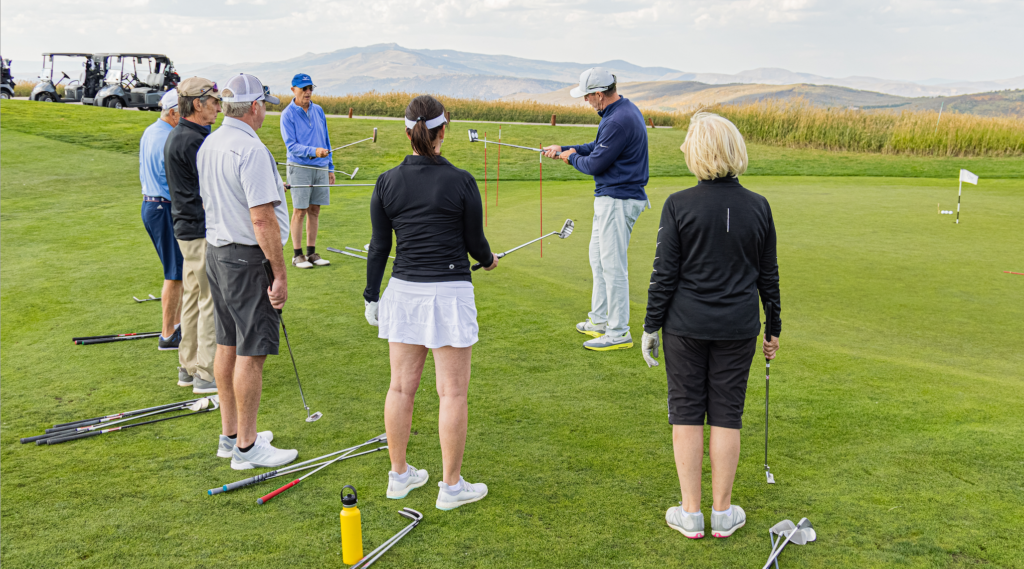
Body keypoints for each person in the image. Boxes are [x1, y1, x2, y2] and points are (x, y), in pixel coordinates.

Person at [641, 112, 781, 540]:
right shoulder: (758, 206)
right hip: (738, 327)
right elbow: (768, 274)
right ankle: (722, 512)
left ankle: (691, 512)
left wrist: (650, 326)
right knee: (726, 414)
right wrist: (774, 326)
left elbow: (664, 273)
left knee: (686, 411)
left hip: (685, 326)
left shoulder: (678, 204)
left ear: (699, 152)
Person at [363, 95, 498, 511]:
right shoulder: (461, 180)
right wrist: (489, 259)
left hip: (403, 292)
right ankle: (450, 487)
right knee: (452, 393)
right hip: (449, 294)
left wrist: (372, 296)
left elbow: (379, 247)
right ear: (444, 131)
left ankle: (399, 476)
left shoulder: (386, 180)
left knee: (401, 387)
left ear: (408, 132)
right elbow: (476, 242)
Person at [198, 73, 297, 468]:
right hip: (245, 258)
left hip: (217, 253)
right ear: (254, 106)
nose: (265, 114)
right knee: (252, 351)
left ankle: (231, 434)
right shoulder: (250, 150)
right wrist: (280, 273)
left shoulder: (212, 142)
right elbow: (262, 221)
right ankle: (247, 447)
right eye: (265, 107)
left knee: (228, 343)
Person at [542, 67, 650, 352]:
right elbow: (597, 148)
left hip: (619, 199)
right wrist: (565, 147)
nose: (586, 101)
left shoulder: (618, 120)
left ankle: (618, 332)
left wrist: (571, 158)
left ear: (600, 95)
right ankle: (600, 320)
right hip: (612, 198)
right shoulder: (619, 112)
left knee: (613, 267)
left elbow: (595, 164)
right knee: (598, 259)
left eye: (588, 97)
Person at [166, 77, 221, 395]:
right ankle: (205, 372)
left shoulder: (181, 134)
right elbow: (212, 189)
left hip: (185, 229)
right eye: (212, 101)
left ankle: (188, 367)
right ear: (197, 104)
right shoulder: (195, 140)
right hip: (200, 230)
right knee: (208, 300)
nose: (217, 107)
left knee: (191, 298)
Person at [139, 89, 184, 354]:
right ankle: (168, 334)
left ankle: (175, 326)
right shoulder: (165, 137)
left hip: (152, 204)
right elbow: (168, 180)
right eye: (182, 112)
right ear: (172, 112)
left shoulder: (151, 130)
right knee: (175, 273)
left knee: (176, 271)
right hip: (162, 206)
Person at [280, 73, 332, 269]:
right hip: (299, 167)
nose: (308, 92)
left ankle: (311, 253)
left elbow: (326, 139)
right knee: (300, 211)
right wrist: (313, 152)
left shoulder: (318, 110)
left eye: (310, 88)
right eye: (304, 89)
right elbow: (291, 146)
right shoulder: (288, 114)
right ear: (293, 89)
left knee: (315, 210)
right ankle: (297, 255)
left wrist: (330, 166)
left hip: (321, 166)